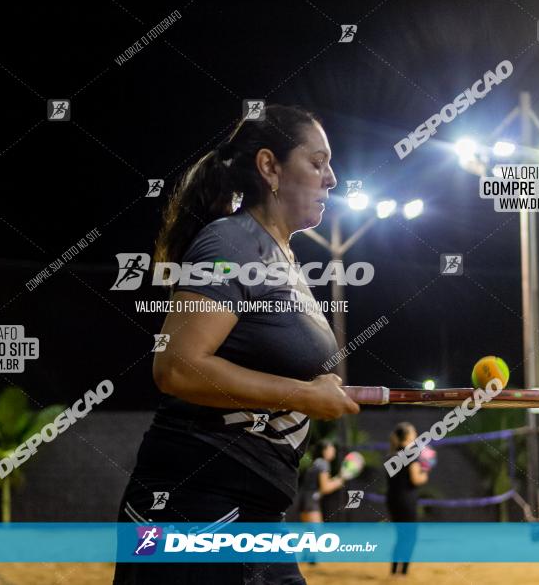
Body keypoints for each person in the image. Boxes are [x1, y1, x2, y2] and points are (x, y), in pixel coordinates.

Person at [114, 104, 360, 585]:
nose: (331, 179)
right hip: (196, 502)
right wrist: (304, 395)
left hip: (253, 507)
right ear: (269, 167)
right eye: (317, 161)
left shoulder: (280, 256)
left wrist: (315, 385)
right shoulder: (231, 244)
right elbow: (178, 368)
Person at [386, 422, 429, 577]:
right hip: (406, 500)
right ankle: (402, 572)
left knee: (400, 535)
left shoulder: (391, 455)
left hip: (392, 499)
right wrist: (426, 471)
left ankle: (393, 571)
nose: (416, 435)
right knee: (410, 536)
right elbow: (416, 479)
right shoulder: (412, 454)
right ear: (408, 436)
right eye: (414, 432)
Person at [298, 439, 346, 523]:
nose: (334, 451)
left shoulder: (316, 462)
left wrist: (337, 479)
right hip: (312, 503)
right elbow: (325, 488)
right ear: (324, 451)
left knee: (309, 534)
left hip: (305, 502)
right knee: (318, 535)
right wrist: (339, 481)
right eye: (331, 448)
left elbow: (320, 484)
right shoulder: (324, 464)